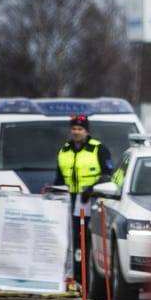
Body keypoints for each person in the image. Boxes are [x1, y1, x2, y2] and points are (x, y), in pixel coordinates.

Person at [53, 114, 112, 282]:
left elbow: (108, 175)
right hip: (68, 201)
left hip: (90, 200)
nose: (76, 132)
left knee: (86, 239)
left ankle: (86, 274)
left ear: (86, 131)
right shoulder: (64, 150)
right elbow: (58, 177)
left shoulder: (98, 149)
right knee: (71, 239)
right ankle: (73, 274)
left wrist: (91, 190)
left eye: (80, 129)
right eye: (74, 129)